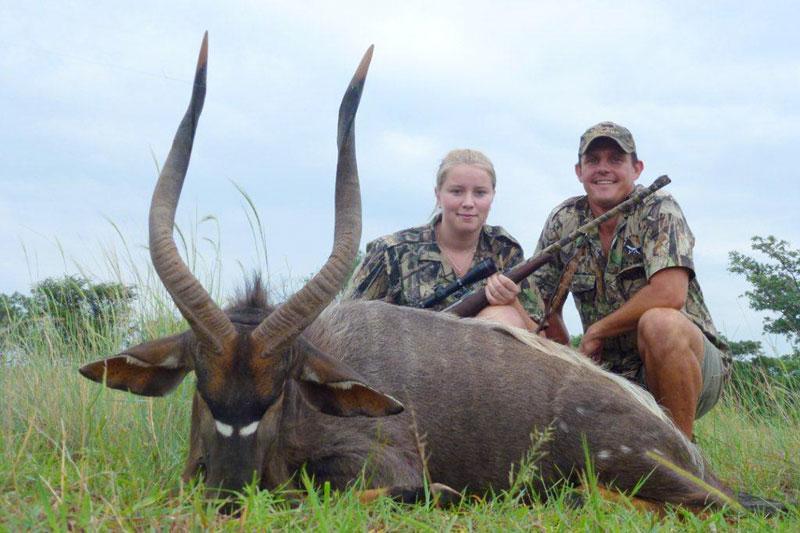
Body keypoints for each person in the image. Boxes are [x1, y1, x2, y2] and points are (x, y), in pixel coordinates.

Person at [532, 121, 731, 439]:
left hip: (689, 364)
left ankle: (682, 453)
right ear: (579, 171)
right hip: (608, 372)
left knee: (660, 323)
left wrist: (597, 330)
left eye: (615, 159)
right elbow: (541, 304)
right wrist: (565, 359)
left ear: (636, 169)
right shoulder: (564, 219)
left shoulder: (660, 209)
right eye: (593, 160)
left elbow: (669, 294)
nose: (603, 169)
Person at [344, 148, 541, 329]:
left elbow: (542, 340)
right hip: (401, 361)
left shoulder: (505, 250)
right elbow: (343, 325)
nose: (468, 203)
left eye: (480, 193)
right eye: (456, 191)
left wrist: (511, 301)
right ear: (438, 195)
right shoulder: (389, 252)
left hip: (486, 364)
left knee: (503, 315)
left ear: (492, 196)